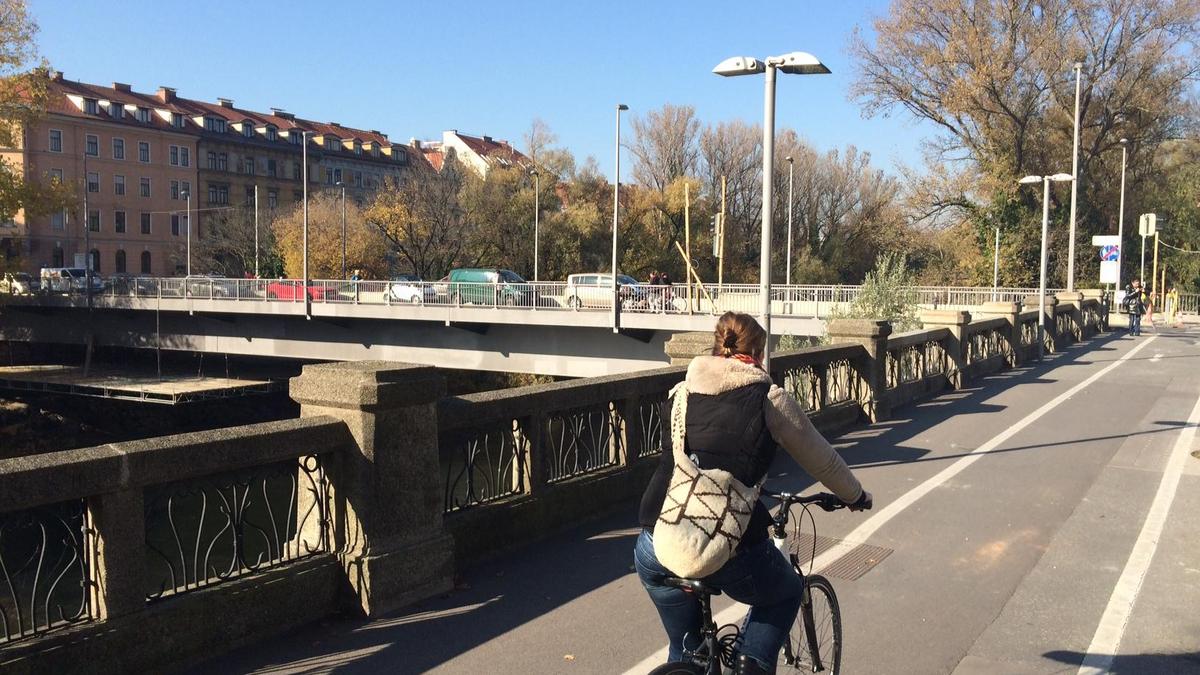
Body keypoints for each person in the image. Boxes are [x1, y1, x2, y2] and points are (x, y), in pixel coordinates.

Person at [635, 312, 872, 674]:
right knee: (786, 591)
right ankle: (751, 665)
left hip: (656, 542)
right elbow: (822, 460)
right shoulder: (768, 399)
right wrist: (856, 496)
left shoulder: (680, 394)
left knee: (686, 650)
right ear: (759, 352)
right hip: (726, 545)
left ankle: (685, 663)